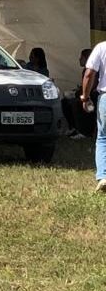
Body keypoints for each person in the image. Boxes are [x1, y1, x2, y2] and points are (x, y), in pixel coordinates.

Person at [80, 40, 106, 193]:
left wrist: (85, 96)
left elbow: (89, 73)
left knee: (103, 138)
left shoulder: (101, 47)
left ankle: (103, 176)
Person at [63, 49, 95, 139]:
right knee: (65, 102)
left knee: (76, 103)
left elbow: (91, 88)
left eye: (81, 57)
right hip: (87, 95)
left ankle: (85, 131)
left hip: (93, 98)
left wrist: (76, 94)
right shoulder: (86, 70)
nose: (79, 59)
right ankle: (74, 127)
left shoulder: (92, 70)